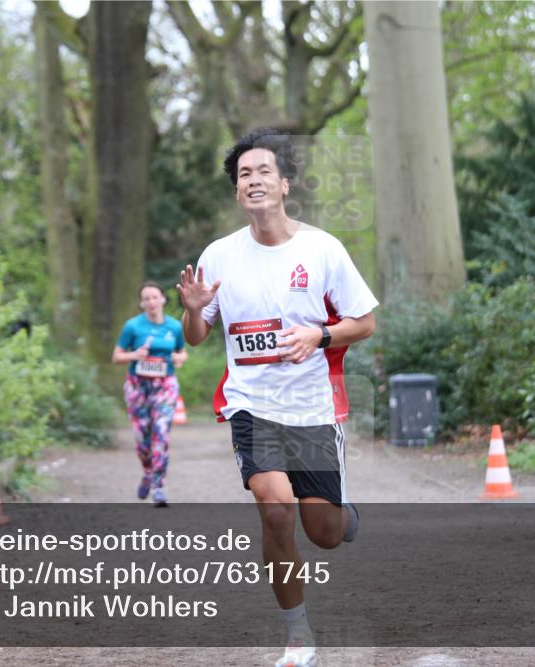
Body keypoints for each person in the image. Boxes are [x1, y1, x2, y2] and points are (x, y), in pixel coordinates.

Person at [177, 128, 378, 667]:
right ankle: (297, 635)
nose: (254, 180)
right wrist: (194, 309)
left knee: (325, 534)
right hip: (251, 405)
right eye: (244, 174)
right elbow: (195, 336)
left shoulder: (322, 249)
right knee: (274, 511)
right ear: (238, 191)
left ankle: (343, 516)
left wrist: (319, 335)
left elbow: (366, 322)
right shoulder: (219, 256)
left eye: (264, 171)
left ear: (284, 184)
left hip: (311, 409)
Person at [112, 281, 187, 507]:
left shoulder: (174, 326)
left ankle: (158, 486)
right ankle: (148, 472)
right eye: (146, 298)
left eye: (155, 297)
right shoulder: (132, 327)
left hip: (165, 385)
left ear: (163, 299)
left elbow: (182, 352)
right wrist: (134, 355)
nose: (151, 302)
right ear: (141, 303)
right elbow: (117, 356)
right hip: (138, 387)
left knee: (161, 434)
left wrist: (180, 358)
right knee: (142, 440)